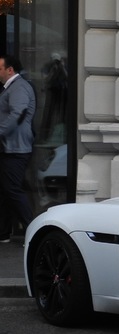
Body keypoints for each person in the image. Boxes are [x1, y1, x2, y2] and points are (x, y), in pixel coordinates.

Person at [0, 55, 36, 243]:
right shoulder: (13, 88)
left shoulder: (19, 88)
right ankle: (4, 233)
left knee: (11, 189)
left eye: (0, 68)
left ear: (10, 70)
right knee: (6, 190)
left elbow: (18, 114)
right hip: (11, 146)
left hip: (16, 147)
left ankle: (34, 231)